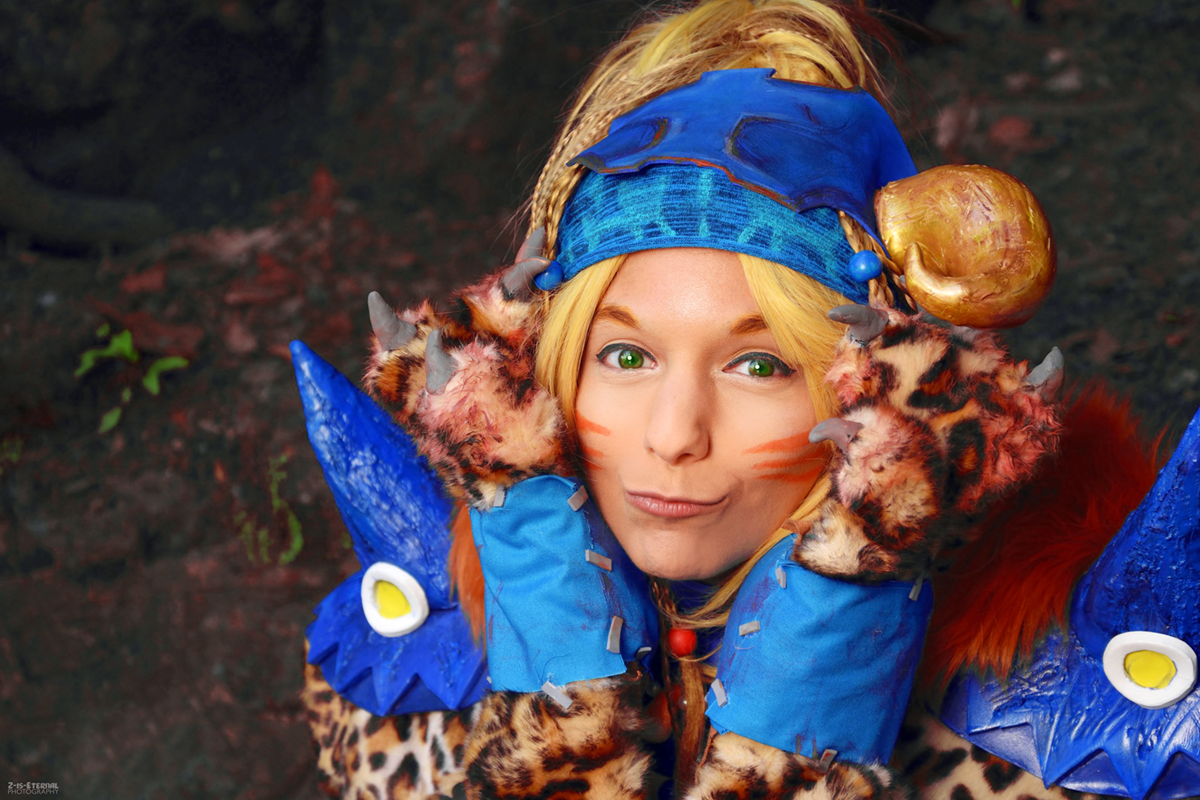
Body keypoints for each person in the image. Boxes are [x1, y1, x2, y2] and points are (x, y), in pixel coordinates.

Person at [295, 1, 1198, 798]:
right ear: (549, 369)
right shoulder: (425, 682)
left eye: (759, 366)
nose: (674, 434)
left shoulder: (1060, 740)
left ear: (883, 401)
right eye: (625, 355)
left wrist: (818, 684)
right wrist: (559, 689)